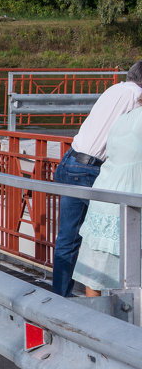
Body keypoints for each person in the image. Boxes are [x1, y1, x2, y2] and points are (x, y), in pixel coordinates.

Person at [51, 60, 142, 296]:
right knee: (115, 235)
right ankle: (120, 299)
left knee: (69, 239)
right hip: (92, 168)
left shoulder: (115, 89)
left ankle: (60, 296)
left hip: (70, 160)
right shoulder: (136, 97)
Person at [71, 98, 142, 295]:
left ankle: (96, 318)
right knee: (131, 272)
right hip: (131, 196)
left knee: (95, 272)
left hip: (106, 193)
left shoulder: (125, 118)